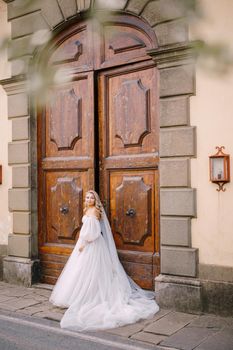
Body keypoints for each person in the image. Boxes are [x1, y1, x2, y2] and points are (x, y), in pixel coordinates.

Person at [49, 190, 159, 331]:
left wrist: (84, 243)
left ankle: (90, 296)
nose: (89, 199)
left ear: (95, 200)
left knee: (92, 269)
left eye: (91, 198)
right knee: (82, 270)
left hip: (92, 244)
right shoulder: (87, 209)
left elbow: (94, 233)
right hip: (85, 242)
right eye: (87, 197)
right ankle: (78, 295)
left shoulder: (94, 211)